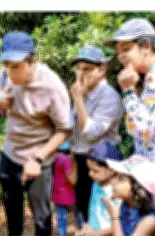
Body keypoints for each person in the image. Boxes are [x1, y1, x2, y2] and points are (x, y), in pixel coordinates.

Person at [107, 18, 155, 236]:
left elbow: (143, 128)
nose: (120, 56)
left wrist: (128, 90)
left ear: (147, 46)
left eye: (127, 48)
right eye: (118, 50)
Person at [0, 32, 72, 236]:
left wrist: (38, 158)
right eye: (7, 65)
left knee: (42, 219)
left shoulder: (52, 87)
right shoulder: (6, 75)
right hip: (10, 154)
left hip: (39, 160)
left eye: (16, 66)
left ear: (32, 61)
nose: (10, 72)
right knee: (13, 218)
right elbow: (0, 107)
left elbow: (64, 129)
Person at [68, 45, 123, 224]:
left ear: (102, 70)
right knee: (82, 209)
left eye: (88, 69)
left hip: (102, 163)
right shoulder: (82, 93)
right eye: (79, 68)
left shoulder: (109, 97)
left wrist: (77, 99)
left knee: (100, 214)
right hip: (81, 158)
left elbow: (91, 133)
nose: (82, 74)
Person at [104, 155, 155, 236]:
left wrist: (114, 217)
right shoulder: (125, 205)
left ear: (138, 190)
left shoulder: (149, 220)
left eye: (121, 179)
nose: (113, 182)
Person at [78, 142, 124, 236]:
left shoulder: (118, 193)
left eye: (95, 171)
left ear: (112, 169)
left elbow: (120, 225)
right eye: (89, 169)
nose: (90, 174)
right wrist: (88, 227)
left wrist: (95, 234)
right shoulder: (96, 184)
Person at [53, 141, 80, 236]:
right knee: (78, 214)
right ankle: (82, 233)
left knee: (61, 219)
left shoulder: (54, 158)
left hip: (57, 193)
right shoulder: (66, 160)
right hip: (69, 193)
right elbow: (71, 179)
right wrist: (75, 163)